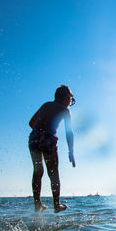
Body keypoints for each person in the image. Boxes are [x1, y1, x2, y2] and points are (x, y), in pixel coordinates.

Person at [28, 85, 76, 213]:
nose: (71, 102)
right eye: (70, 99)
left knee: (38, 171)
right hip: (48, 139)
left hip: (34, 138)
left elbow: (31, 123)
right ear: (65, 98)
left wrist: (40, 132)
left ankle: (37, 203)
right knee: (53, 173)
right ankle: (56, 204)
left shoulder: (46, 105)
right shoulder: (65, 111)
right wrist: (71, 151)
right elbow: (69, 132)